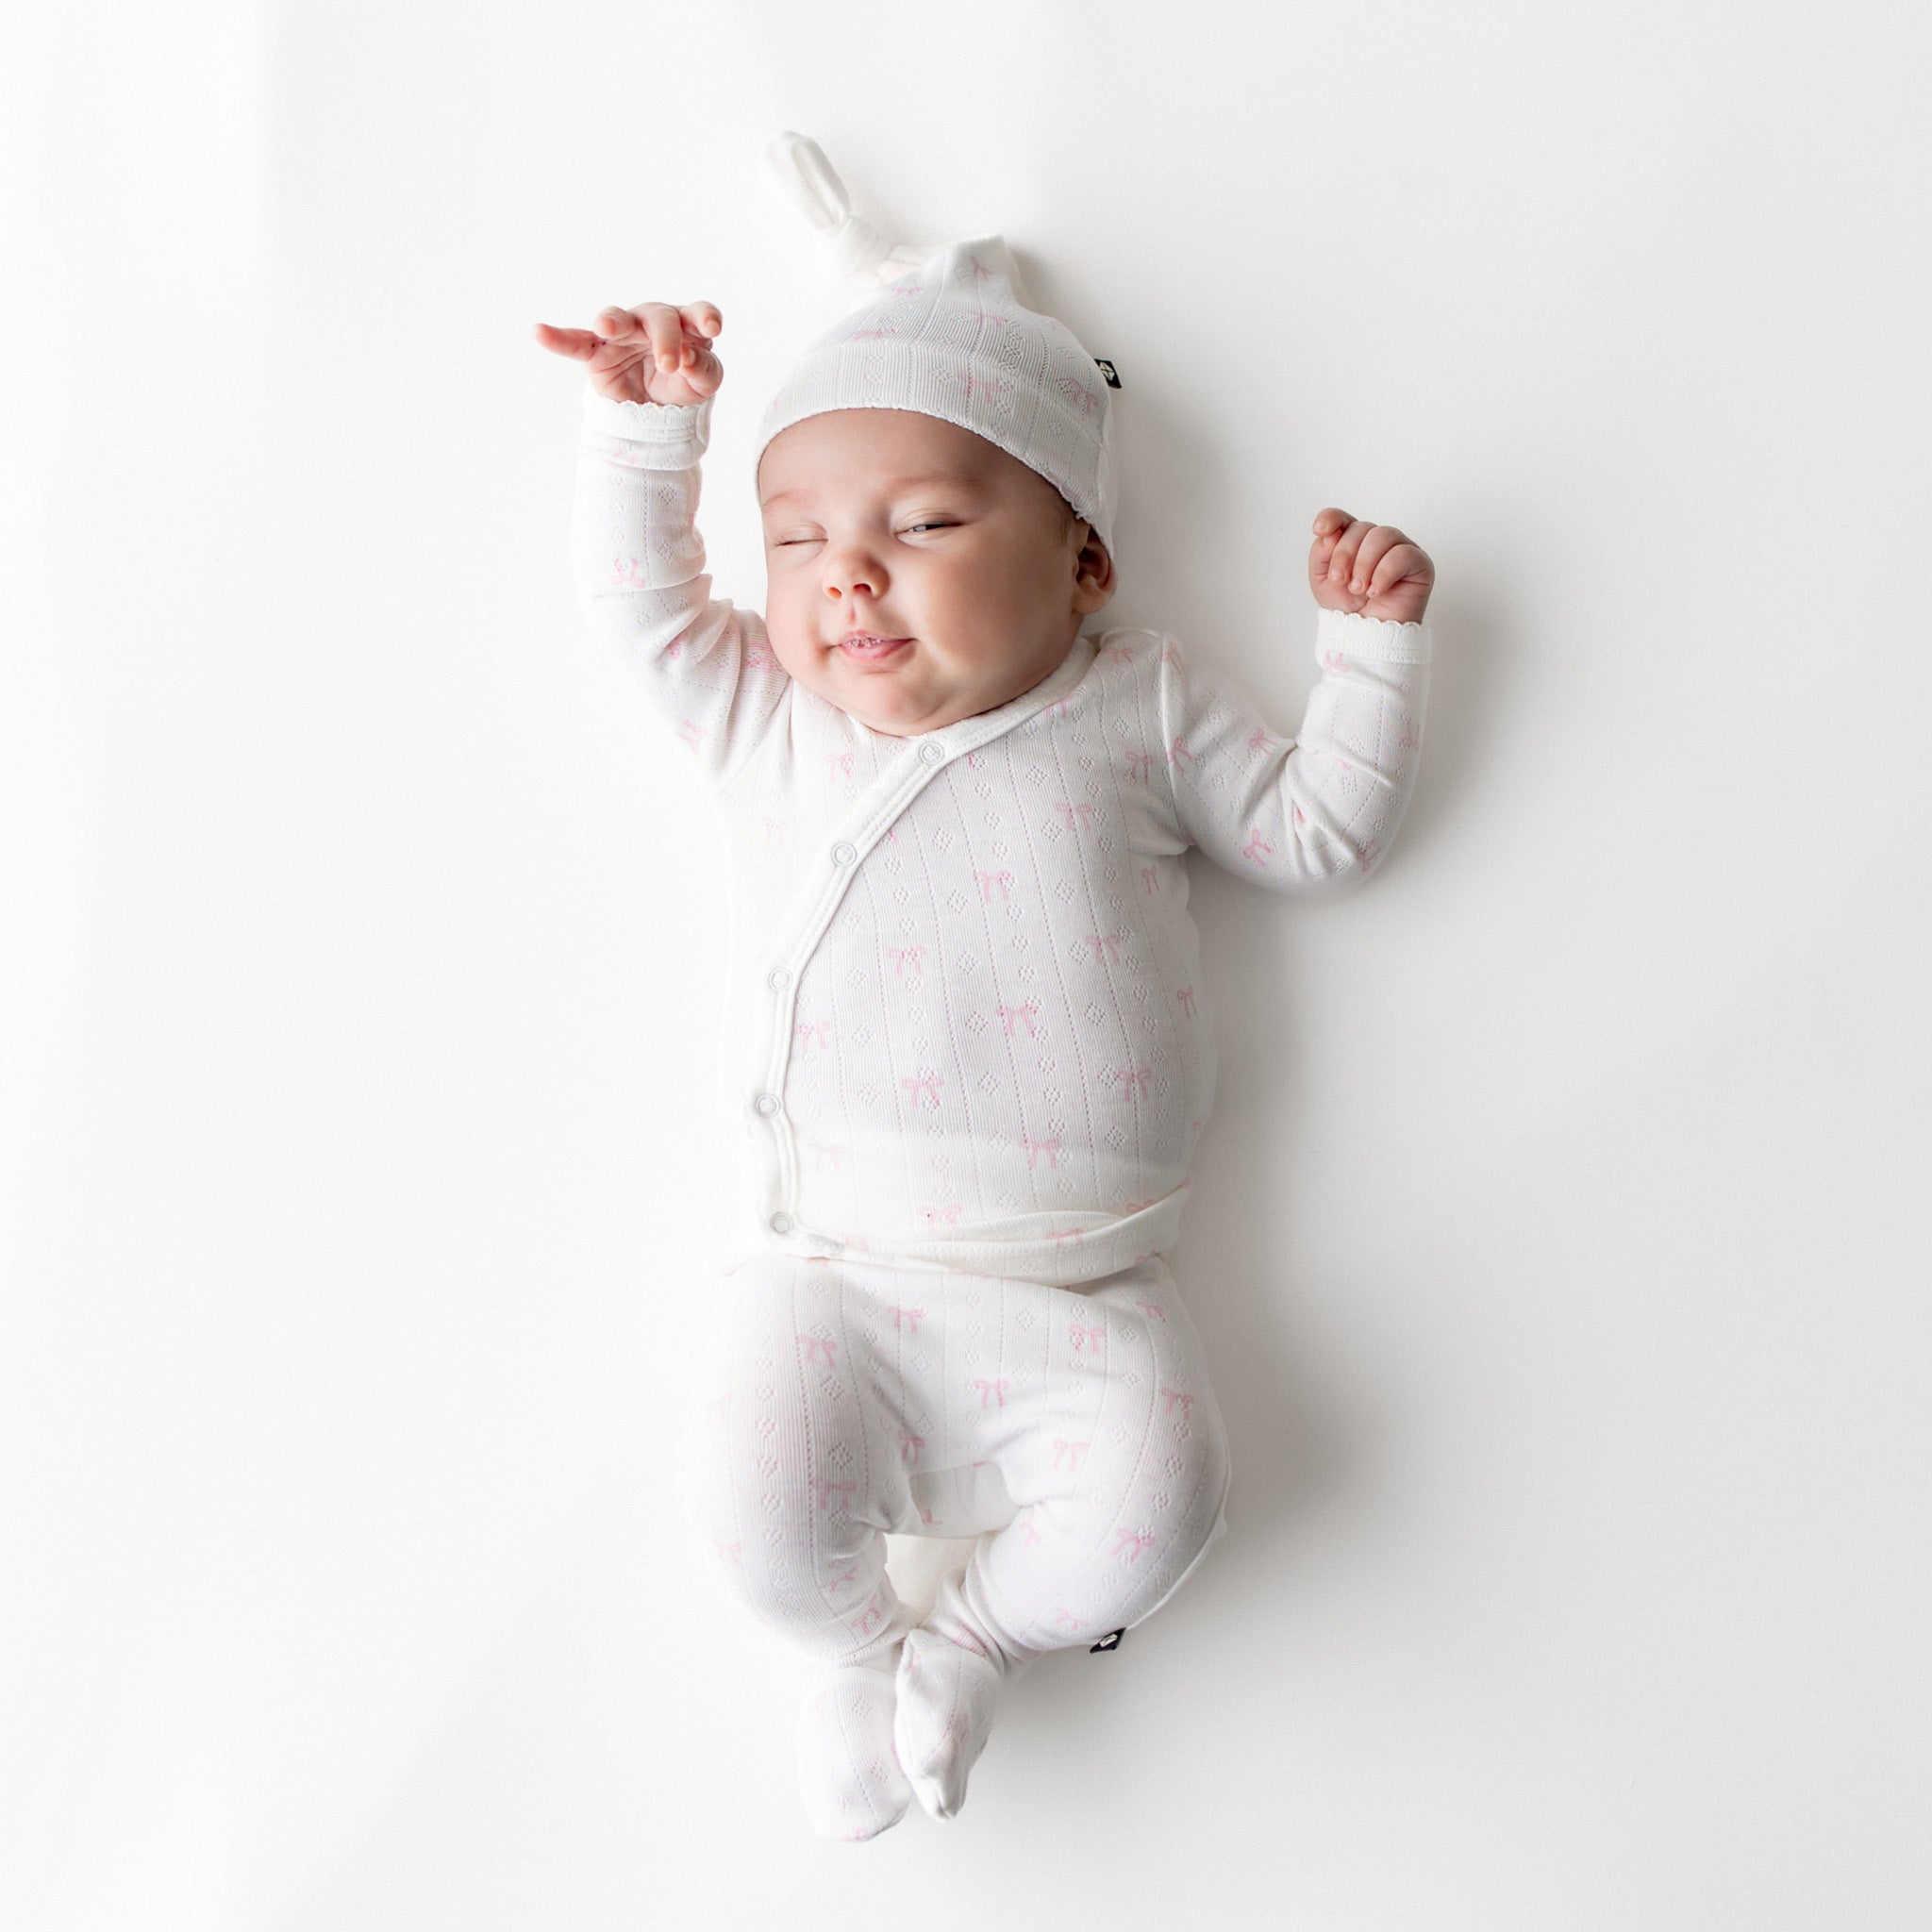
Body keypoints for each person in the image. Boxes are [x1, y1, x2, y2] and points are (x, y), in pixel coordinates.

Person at [534, 136, 1435, 1840]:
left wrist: (1367, 656)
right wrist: (648, 434)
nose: (848, 574)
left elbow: (1317, 836)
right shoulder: (773, 718)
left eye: (926, 523)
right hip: (840, 1275)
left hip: (1088, 1293)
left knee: (1166, 1504)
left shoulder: (1142, 703)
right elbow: (642, 610)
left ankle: (966, 1645)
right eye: (797, 539)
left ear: (1086, 562)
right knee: (751, 1505)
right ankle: (850, 1657)